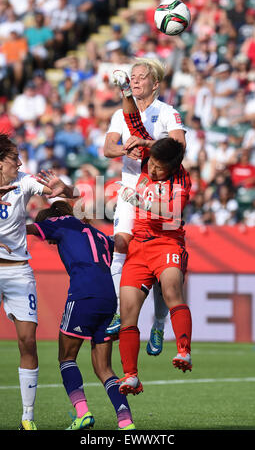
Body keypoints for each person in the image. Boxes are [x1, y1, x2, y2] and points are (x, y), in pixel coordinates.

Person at [108, 84, 192, 395]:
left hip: (168, 244)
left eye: (159, 168)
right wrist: (126, 90)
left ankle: (183, 350)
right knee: (127, 311)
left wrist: (140, 201)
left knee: (171, 290)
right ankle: (130, 375)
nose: (153, 170)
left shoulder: (182, 178)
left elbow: (171, 213)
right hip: (139, 248)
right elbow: (134, 123)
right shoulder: (149, 161)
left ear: (172, 167)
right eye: (152, 165)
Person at [27, 200, 135, 431]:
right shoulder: (96, 233)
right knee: (104, 368)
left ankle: (83, 413)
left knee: (66, 357)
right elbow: (121, 247)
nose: (49, 241)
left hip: (83, 295)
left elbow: (30, 228)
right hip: (108, 299)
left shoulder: (60, 222)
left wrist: (8, 222)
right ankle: (126, 421)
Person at [0, 134, 76, 430]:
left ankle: (27, 418)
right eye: (13, 158)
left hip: (18, 270)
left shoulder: (24, 180)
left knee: (27, 341)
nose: (19, 162)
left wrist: (63, 189)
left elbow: (66, 195)